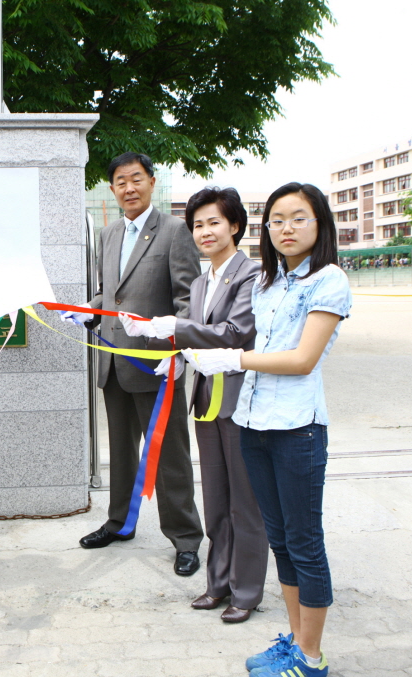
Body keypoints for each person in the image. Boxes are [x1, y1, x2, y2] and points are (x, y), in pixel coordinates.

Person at [183, 182, 352, 677]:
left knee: (305, 543)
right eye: (277, 219)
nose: (286, 228)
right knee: (280, 541)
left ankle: (312, 658)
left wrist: (230, 357)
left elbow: (301, 359)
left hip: (297, 429)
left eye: (299, 218)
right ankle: (296, 642)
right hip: (252, 423)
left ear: (319, 223)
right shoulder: (267, 284)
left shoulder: (329, 280)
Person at [122, 186, 268, 623]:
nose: (205, 232)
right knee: (217, 499)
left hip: (239, 402)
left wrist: (176, 328)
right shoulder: (203, 280)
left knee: (246, 502)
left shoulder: (251, 275)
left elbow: (234, 332)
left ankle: (247, 591)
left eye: (214, 222)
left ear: (235, 226)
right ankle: (217, 583)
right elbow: (194, 336)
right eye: (198, 224)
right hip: (206, 400)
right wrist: (158, 333)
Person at [61, 152, 204, 576]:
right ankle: (120, 523)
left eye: (136, 179)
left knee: (169, 456)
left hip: (156, 367)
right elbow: (112, 293)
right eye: (120, 181)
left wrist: (177, 355)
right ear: (112, 188)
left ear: (151, 182)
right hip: (113, 362)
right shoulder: (108, 234)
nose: (129, 188)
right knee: (120, 452)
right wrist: (90, 308)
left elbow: (186, 303)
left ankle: (185, 538)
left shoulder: (176, 231)